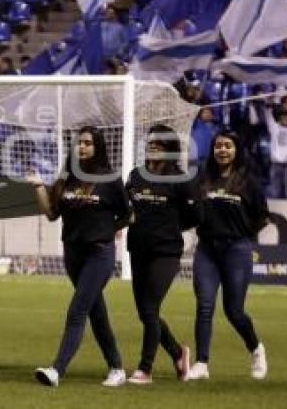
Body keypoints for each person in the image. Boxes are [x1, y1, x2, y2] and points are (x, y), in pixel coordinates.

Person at [30, 126, 129, 387]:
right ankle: (117, 368)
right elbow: (52, 214)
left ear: (97, 147)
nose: (82, 147)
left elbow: (128, 214)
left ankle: (56, 370)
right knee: (96, 313)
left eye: (87, 142)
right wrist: (39, 186)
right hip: (73, 253)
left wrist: (111, 230)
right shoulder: (67, 177)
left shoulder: (110, 179)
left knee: (77, 310)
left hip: (99, 254)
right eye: (79, 142)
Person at [187, 130, 268, 381]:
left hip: (237, 251)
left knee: (234, 311)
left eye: (228, 146)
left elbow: (262, 217)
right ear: (212, 150)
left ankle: (256, 349)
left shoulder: (248, 181)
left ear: (236, 150)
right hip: (206, 250)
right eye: (218, 146)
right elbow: (192, 210)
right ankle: (201, 363)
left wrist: (241, 234)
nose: (222, 150)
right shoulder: (202, 178)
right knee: (205, 305)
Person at [124, 125, 195, 384]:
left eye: (159, 144)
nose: (152, 147)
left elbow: (195, 215)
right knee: (145, 313)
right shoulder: (136, 175)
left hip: (166, 252)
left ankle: (145, 369)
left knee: (151, 308)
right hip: (138, 249)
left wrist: (171, 228)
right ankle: (178, 353)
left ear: (170, 150)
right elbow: (126, 205)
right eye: (150, 143)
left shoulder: (181, 179)